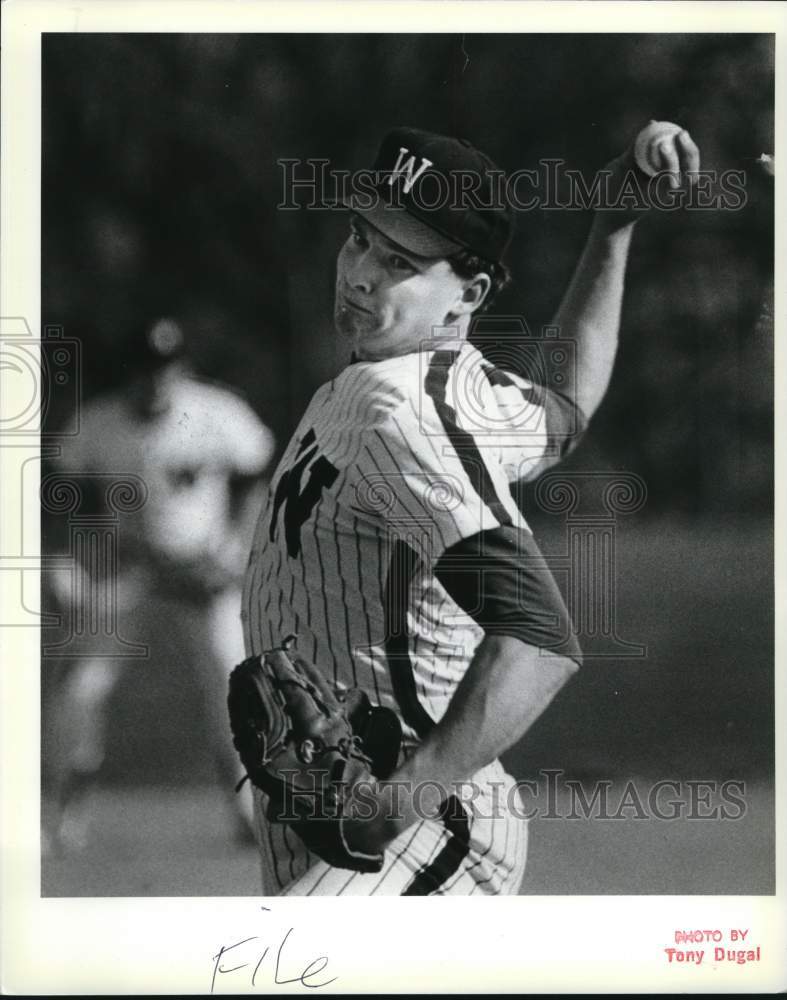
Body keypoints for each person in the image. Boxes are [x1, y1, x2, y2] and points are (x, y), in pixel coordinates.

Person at [241, 125, 700, 895]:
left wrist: (391, 809)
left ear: (470, 295)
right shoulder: (446, 388)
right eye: (359, 237)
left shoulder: (402, 411)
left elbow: (540, 642)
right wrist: (612, 223)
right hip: (359, 812)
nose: (360, 274)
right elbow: (562, 409)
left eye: (400, 262)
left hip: (416, 826)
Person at [42, 320, 275, 851]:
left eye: (166, 367)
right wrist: (67, 561)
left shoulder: (217, 412)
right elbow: (64, 502)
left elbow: (256, 480)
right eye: (147, 368)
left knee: (235, 685)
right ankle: (65, 813)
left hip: (202, 570)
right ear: (130, 371)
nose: (155, 379)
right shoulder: (97, 423)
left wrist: (234, 553)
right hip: (130, 569)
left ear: (182, 368)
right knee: (80, 689)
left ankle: (250, 811)